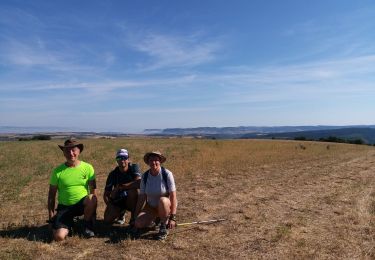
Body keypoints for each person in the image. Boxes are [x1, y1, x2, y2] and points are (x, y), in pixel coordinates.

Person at [47, 138, 97, 241]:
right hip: (64, 207)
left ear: (79, 151)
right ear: (64, 153)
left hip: (81, 205)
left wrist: (93, 214)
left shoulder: (88, 168)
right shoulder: (57, 171)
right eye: (67, 150)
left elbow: (93, 192)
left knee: (92, 197)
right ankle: (69, 224)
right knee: (59, 237)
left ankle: (86, 225)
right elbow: (51, 196)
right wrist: (51, 217)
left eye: (73, 150)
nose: (71, 153)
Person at [134, 151, 177, 240]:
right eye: (151, 160)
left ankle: (163, 226)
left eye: (156, 160)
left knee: (163, 200)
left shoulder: (167, 174)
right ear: (148, 162)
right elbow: (142, 197)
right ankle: (156, 220)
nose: (153, 162)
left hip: (165, 206)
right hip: (151, 207)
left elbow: (173, 196)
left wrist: (173, 217)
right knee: (138, 223)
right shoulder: (145, 176)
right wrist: (134, 217)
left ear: (160, 161)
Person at [103, 149, 141, 226]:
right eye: (119, 158)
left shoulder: (134, 168)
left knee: (133, 191)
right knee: (107, 220)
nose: (122, 160)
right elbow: (106, 194)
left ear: (128, 159)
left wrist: (120, 187)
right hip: (119, 200)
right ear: (116, 160)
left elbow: (139, 183)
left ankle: (133, 218)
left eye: (124, 158)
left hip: (131, 200)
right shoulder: (113, 174)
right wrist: (110, 206)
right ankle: (121, 214)